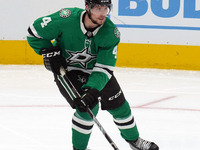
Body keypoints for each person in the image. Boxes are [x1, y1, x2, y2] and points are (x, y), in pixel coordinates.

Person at [27, 0, 159, 150]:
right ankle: (79, 148)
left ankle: (135, 141)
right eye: (98, 9)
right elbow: (33, 33)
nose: (103, 14)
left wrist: (93, 89)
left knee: (120, 106)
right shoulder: (66, 19)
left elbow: (104, 68)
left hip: (96, 70)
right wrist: (49, 52)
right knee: (88, 108)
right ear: (87, 8)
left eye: (106, 9)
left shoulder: (110, 33)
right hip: (68, 70)